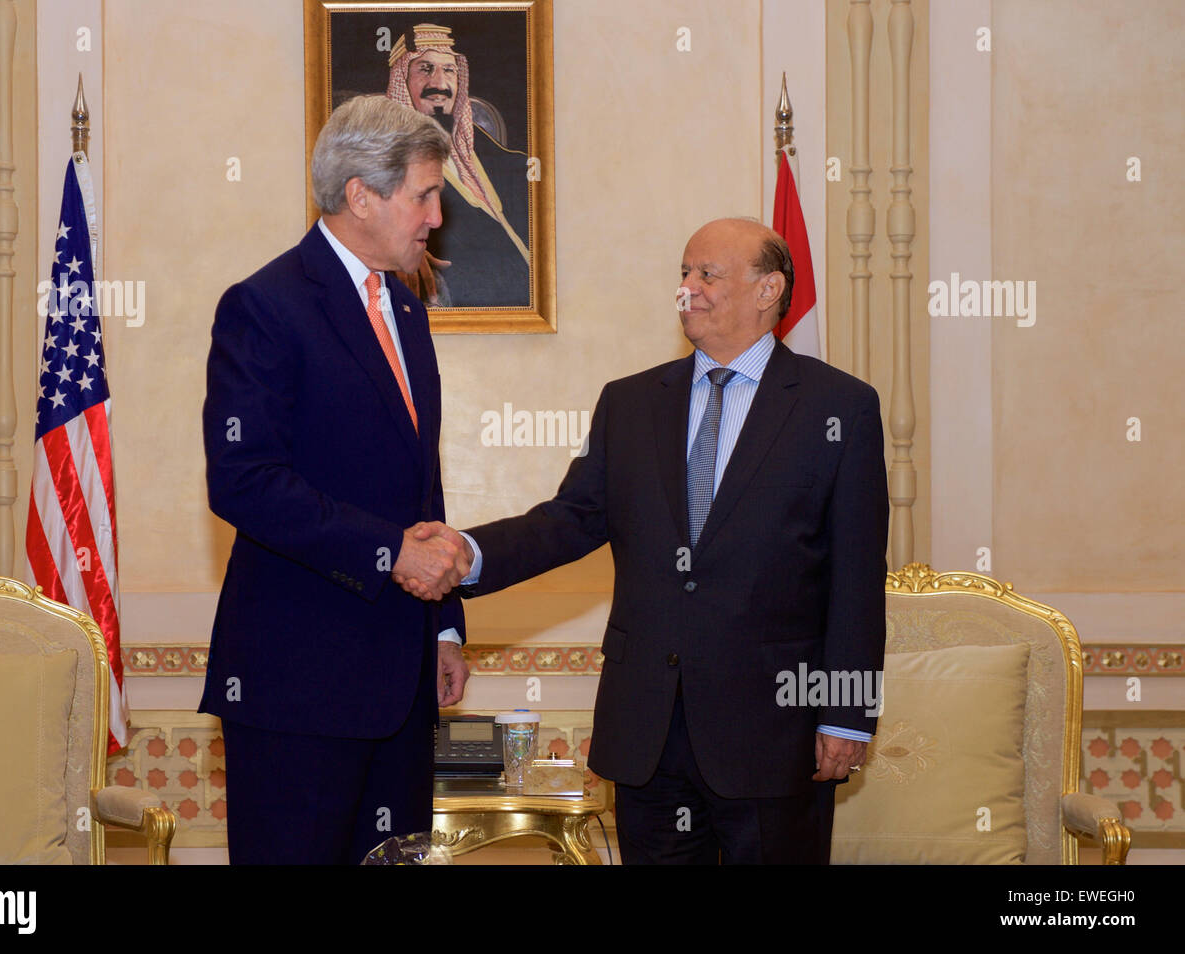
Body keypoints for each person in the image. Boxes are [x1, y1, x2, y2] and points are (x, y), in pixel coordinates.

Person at [397, 218, 889, 863]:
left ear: (769, 289)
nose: (687, 289)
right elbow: (568, 520)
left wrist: (846, 715)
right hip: (647, 734)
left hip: (774, 733)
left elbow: (856, 578)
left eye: (706, 275)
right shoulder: (630, 404)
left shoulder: (839, 408)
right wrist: (467, 552)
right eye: (684, 274)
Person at [200, 95, 473, 865]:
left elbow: (422, 484)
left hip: (403, 677)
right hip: (298, 686)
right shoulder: (265, 306)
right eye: (423, 194)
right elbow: (243, 479)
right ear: (362, 195)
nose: (435, 215)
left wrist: (444, 624)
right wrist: (391, 553)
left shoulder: (408, 313)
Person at [385, 22, 531, 307]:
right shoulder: (388, 161)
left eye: (449, 70)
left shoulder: (494, 154)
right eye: (425, 69)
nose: (440, 84)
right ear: (402, 80)